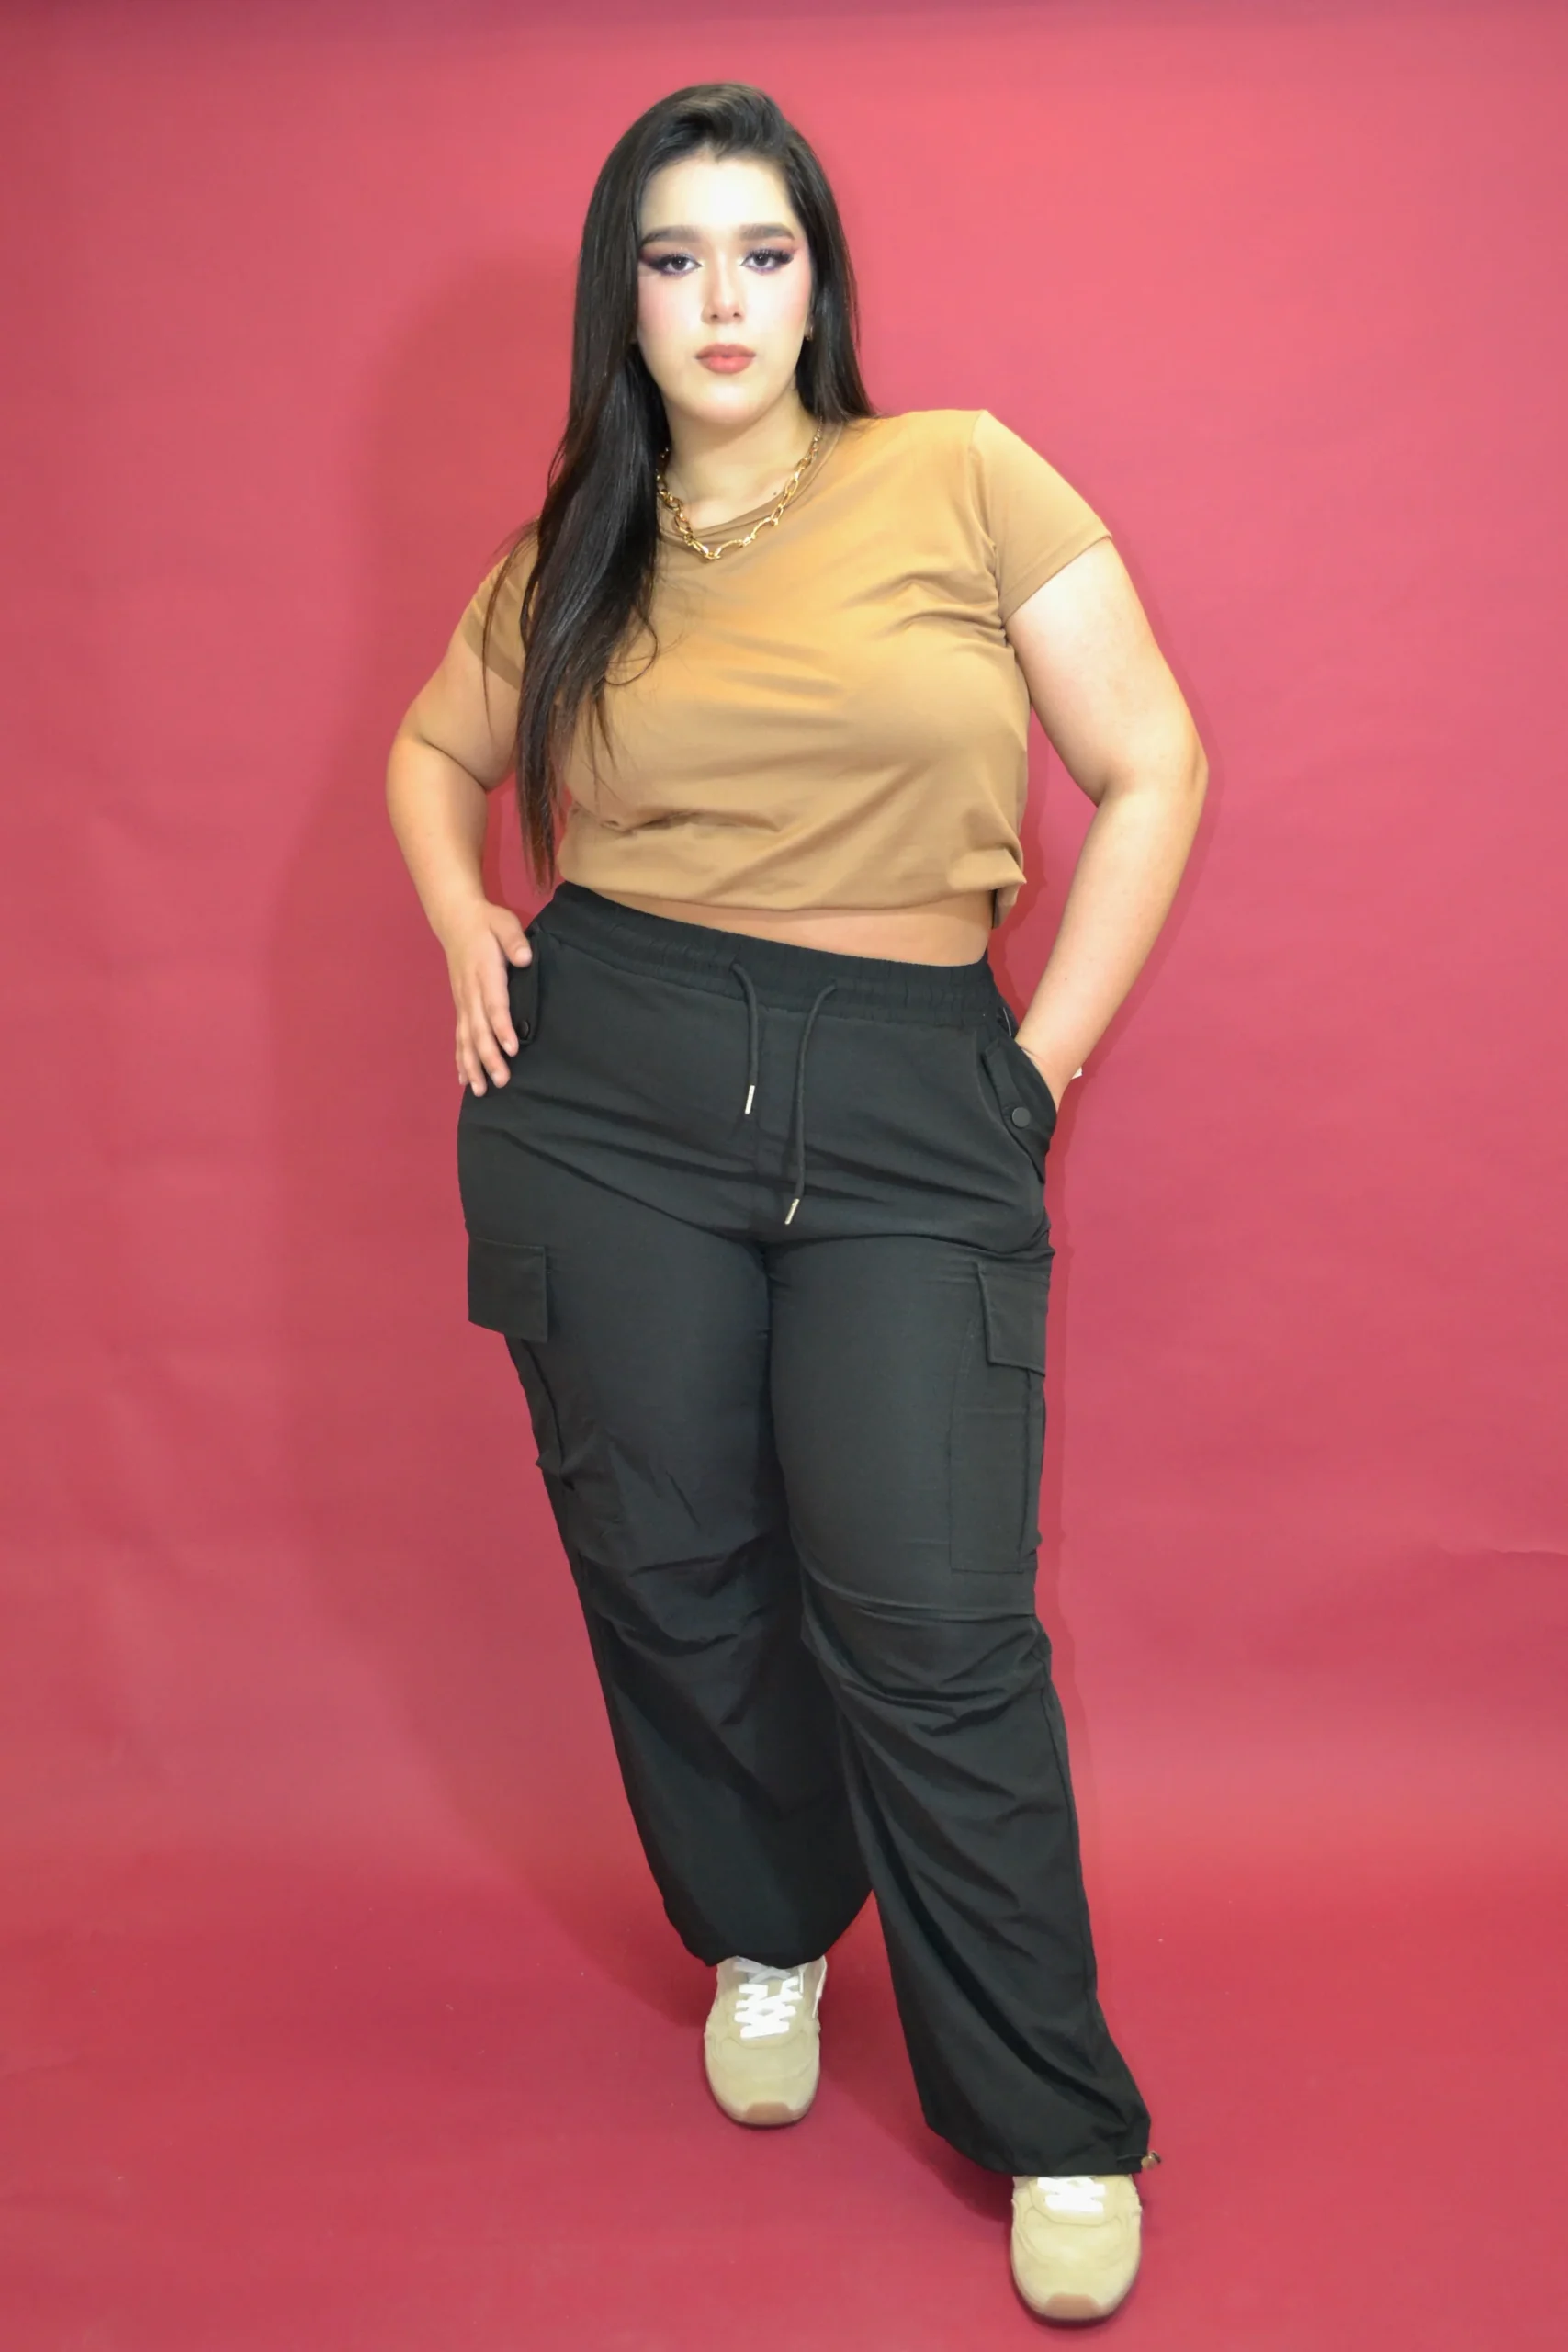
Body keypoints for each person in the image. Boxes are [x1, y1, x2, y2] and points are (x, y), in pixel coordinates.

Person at [386, 82, 1205, 2326]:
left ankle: (1049, 2108)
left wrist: (1034, 1068)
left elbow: (1152, 761)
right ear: (624, 302)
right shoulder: (578, 549)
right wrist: (463, 911)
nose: (721, 298)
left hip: (913, 1085)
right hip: (610, 1091)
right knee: (671, 1563)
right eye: (673, 259)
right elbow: (433, 749)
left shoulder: (959, 473)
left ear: (820, 279)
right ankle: (767, 1926)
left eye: (761, 251)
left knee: (931, 1614)